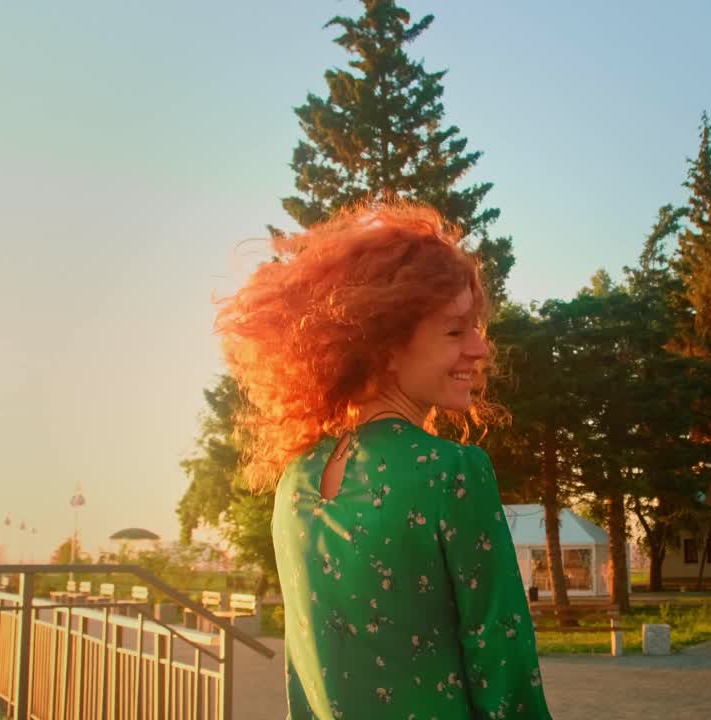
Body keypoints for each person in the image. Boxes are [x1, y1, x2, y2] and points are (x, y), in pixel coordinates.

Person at [216, 202, 552, 719]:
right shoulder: (452, 474)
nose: (481, 348)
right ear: (385, 347)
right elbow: (505, 673)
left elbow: (303, 682)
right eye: (455, 331)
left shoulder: (296, 478)